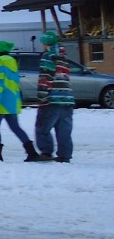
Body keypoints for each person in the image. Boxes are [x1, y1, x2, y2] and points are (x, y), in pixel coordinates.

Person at [0, 40, 39, 162]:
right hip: (12, 101)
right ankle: (31, 152)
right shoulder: (11, 61)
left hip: (0, 102)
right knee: (16, 127)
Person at [33, 31, 73, 163]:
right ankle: (64, 155)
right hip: (67, 99)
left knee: (42, 127)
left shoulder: (48, 56)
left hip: (52, 99)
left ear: (45, 43)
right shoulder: (63, 57)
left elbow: (46, 77)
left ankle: (46, 152)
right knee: (64, 130)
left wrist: (42, 97)